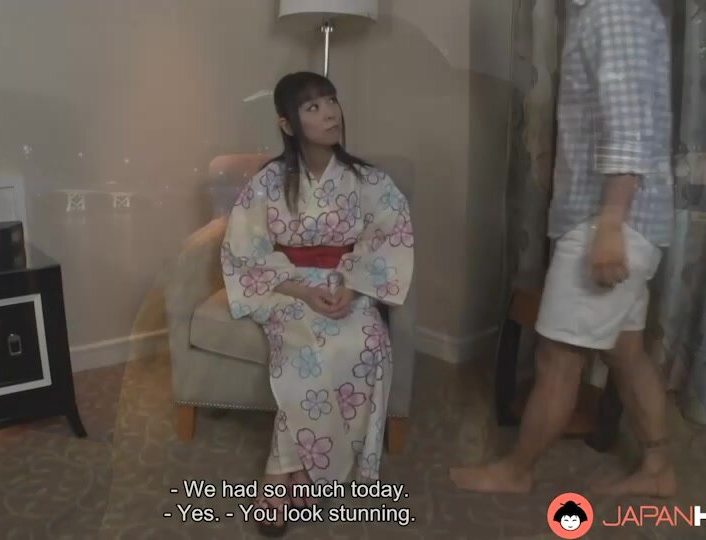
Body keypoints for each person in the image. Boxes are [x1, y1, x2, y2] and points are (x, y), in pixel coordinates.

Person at [450, 0, 676, 497]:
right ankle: (659, 466)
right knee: (626, 351)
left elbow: (629, 126)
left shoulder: (614, 10)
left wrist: (611, 223)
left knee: (558, 357)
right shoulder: (606, 11)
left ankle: (517, 471)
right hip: (615, 218)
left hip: (608, 220)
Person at [221, 71, 414, 534]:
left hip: (346, 282)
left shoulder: (369, 180)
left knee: (366, 341)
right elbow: (244, 250)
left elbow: (388, 238)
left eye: (331, 101)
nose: (330, 113)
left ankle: (300, 470)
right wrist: (302, 290)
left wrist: (355, 285)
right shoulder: (268, 182)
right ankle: (283, 471)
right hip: (287, 287)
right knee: (306, 346)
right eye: (313, 107)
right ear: (287, 124)